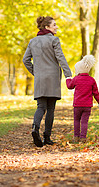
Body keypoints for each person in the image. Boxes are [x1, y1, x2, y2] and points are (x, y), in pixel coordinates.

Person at [23, 16, 72, 147]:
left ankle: (35, 128)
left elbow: (25, 60)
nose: (56, 27)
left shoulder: (33, 41)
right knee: (50, 108)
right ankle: (47, 137)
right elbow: (60, 58)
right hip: (53, 78)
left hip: (40, 79)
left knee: (41, 107)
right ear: (47, 27)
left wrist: (36, 72)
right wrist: (69, 75)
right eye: (54, 25)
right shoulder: (54, 40)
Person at [66, 55, 99, 143]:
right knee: (84, 122)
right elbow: (96, 93)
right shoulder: (91, 80)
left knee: (76, 120)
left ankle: (76, 137)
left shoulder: (76, 79)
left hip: (77, 105)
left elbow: (69, 86)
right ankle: (83, 138)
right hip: (87, 106)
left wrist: (68, 79)